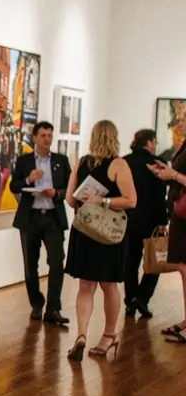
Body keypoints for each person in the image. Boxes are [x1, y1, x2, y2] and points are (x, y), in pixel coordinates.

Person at [65, 120, 136, 361]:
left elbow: (70, 200)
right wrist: (105, 201)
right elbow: (131, 200)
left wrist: (91, 199)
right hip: (108, 233)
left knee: (86, 286)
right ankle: (108, 335)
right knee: (109, 285)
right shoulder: (119, 165)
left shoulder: (82, 163)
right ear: (114, 137)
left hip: (85, 231)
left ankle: (82, 335)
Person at [9, 121, 71, 326]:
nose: (47, 139)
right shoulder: (25, 161)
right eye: (43, 135)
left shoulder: (61, 161)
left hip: (53, 216)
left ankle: (53, 308)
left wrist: (57, 193)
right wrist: (29, 179)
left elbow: (69, 188)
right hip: (31, 217)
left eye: (49, 136)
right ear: (35, 137)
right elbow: (13, 186)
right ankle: (37, 303)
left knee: (56, 262)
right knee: (30, 265)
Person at [124, 129, 168, 318]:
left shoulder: (124, 162)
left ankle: (130, 300)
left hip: (127, 219)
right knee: (155, 262)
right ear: (149, 143)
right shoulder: (157, 163)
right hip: (150, 220)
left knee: (130, 262)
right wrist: (163, 221)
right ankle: (142, 297)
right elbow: (160, 197)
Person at [152, 106, 186, 343]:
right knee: (183, 269)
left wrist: (172, 175)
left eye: (184, 119)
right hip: (181, 212)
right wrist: (166, 172)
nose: (180, 123)